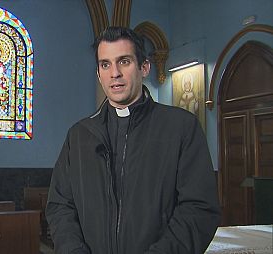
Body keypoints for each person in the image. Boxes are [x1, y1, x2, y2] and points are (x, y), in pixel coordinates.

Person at [45, 27, 221, 254]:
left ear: (144, 67)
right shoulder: (79, 135)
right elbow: (60, 207)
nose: (114, 73)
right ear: (99, 74)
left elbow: (199, 209)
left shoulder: (181, 128)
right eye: (105, 64)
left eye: (124, 61)